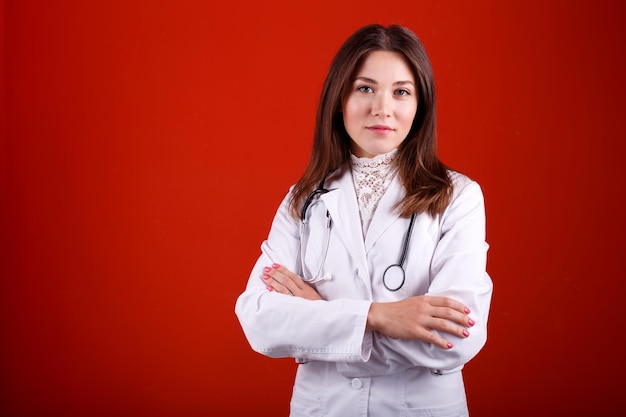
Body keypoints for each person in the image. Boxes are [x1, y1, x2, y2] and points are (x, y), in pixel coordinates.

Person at [235, 23, 493, 417]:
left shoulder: (458, 197)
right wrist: (381, 316)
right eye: (365, 88)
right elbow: (259, 320)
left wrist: (319, 319)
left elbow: (454, 337)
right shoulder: (303, 199)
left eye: (401, 92)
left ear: (420, 106)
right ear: (340, 99)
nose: (382, 108)